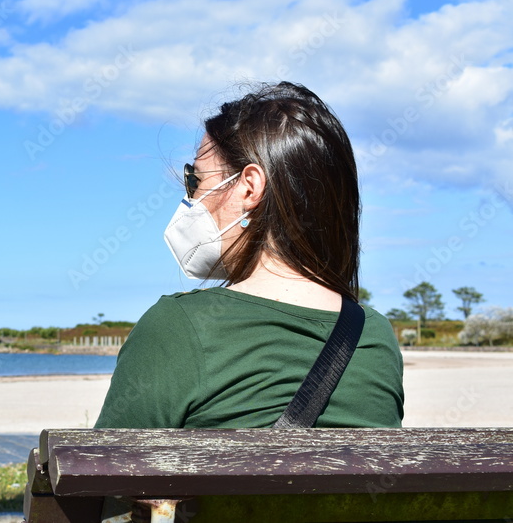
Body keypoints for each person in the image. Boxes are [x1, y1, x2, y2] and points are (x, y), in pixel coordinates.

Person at [94, 82, 404, 429]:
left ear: (249, 188)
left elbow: (102, 464)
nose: (190, 198)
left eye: (195, 180)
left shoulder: (177, 327)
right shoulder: (374, 336)